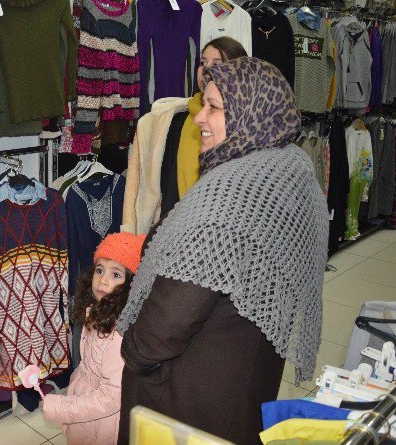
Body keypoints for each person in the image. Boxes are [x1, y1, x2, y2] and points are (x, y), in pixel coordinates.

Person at [116, 57, 329, 445]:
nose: (199, 118)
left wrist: (133, 352)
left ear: (251, 112)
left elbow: (172, 313)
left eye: (214, 108)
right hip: (246, 381)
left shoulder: (230, 196)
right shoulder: (292, 167)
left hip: (187, 400)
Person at [43, 232, 146, 445]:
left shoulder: (118, 332)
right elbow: (87, 367)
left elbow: (112, 396)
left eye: (116, 274)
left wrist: (65, 408)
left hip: (103, 422)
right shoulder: (96, 313)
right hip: (86, 406)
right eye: (100, 270)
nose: (103, 280)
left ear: (131, 284)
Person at [177, 37, 247, 199]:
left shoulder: (245, 125)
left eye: (216, 64)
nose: (206, 69)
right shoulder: (177, 120)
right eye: (203, 62)